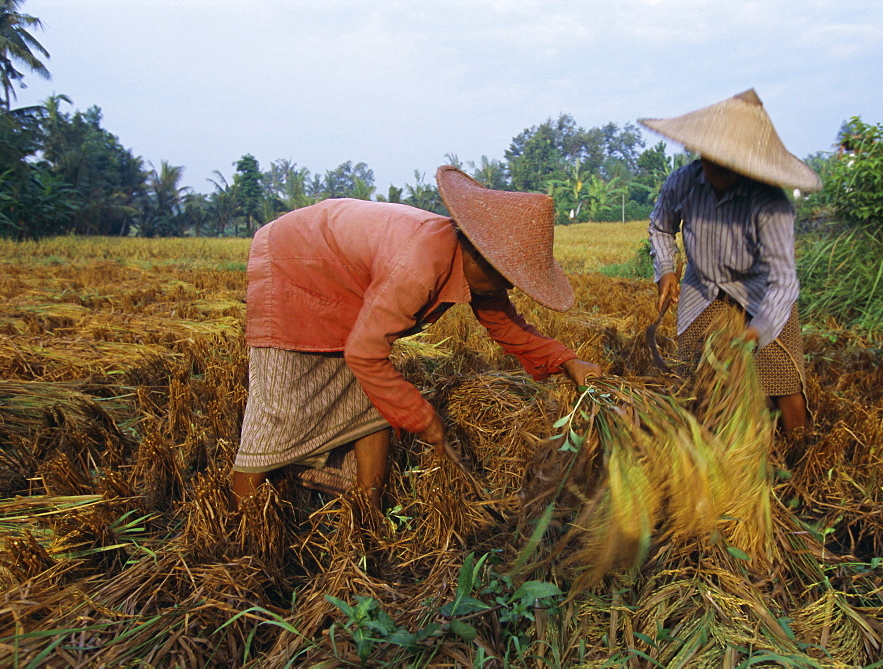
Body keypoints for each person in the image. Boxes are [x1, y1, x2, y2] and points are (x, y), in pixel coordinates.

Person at [231, 166, 601, 510]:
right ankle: (238, 525)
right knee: (281, 412)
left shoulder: (471, 261)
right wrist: (421, 416)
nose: (508, 287)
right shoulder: (418, 265)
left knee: (374, 400)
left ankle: (367, 515)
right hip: (295, 263)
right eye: (507, 277)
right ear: (480, 254)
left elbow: (505, 323)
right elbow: (365, 354)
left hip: (348, 277)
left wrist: (569, 362)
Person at [639, 89, 822, 432]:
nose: (717, 166)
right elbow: (660, 227)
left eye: (730, 160)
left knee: (782, 381)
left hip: (761, 295)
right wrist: (666, 271)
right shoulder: (683, 183)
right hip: (703, 290)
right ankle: (708, 445)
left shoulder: (770, 204)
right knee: (696, 379)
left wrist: (756, 332)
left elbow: (784, 282)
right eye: (712, 156)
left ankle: (800, 455)